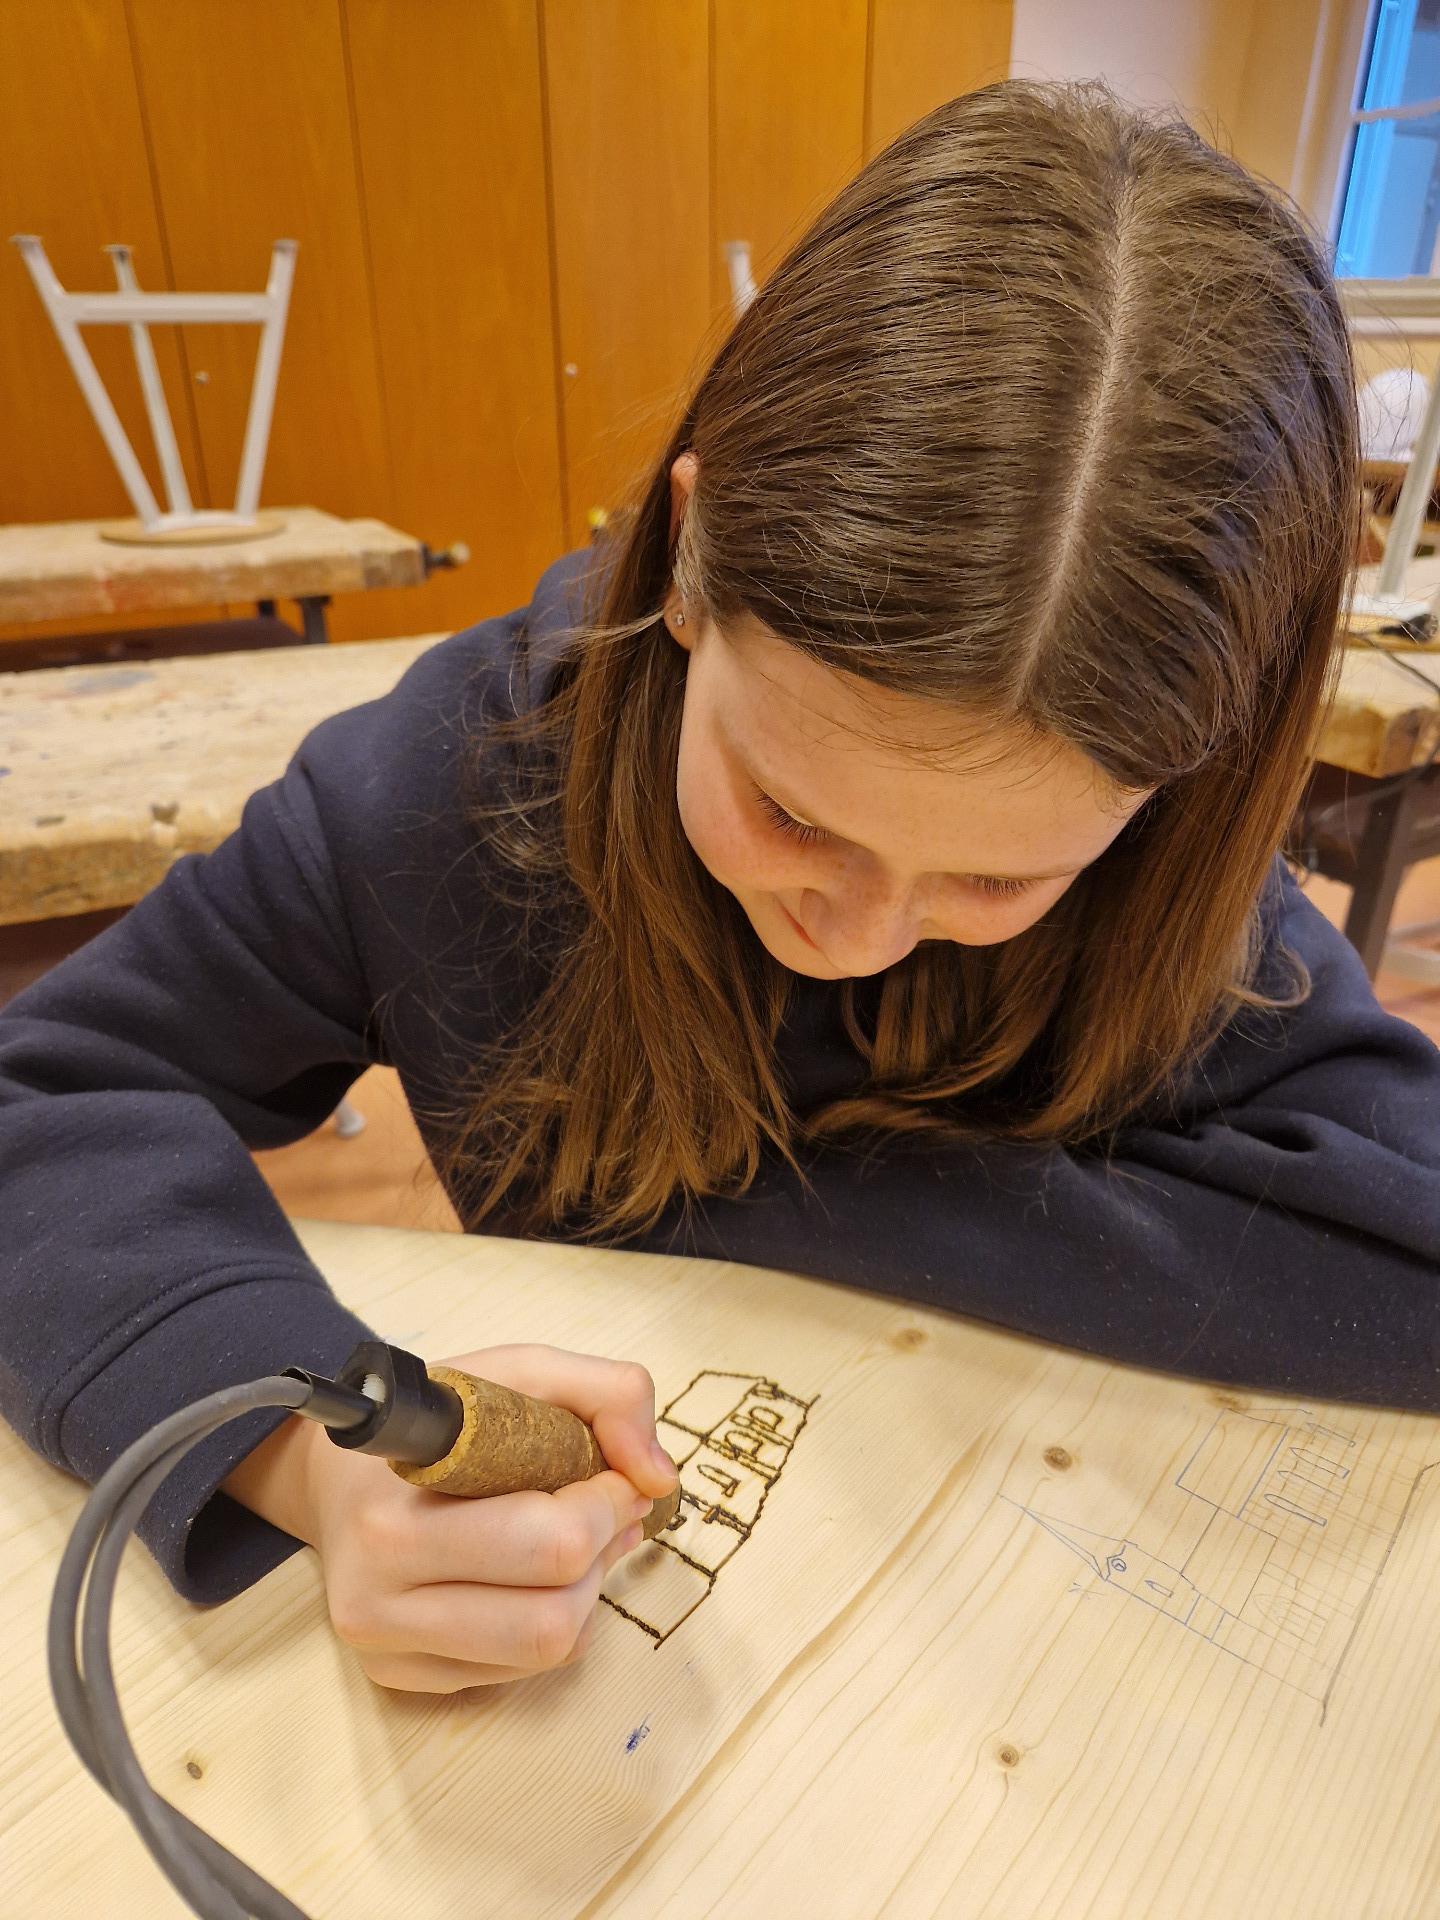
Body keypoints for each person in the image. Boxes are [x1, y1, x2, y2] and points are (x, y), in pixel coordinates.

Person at [3, 79, 1437, 1697]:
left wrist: (762, 1216)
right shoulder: (439, 795)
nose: (856, 934)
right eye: (790, 811)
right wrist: (297, 1446)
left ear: (1185, 788)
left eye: (997, 873)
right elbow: (35, 1098)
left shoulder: (1166, 863)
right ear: (690, 563)